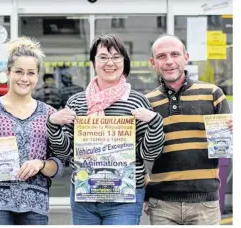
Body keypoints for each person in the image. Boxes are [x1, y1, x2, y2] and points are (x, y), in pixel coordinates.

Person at [47, 34, 165, 225]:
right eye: (103, 57)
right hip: (84, 195)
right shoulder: (77, 102)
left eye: (116, 57)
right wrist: (53, 124)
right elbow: (65, 151)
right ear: (94, 62)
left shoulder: (136, 101)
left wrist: (154, 123)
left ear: (124, 62)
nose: (110, 63)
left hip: (124, 197)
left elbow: (149, 153)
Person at [0, 36, 64, 225]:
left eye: (30, 73)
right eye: (19, 72)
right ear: (8, 72)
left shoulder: (49, 114)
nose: (24, 78)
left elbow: (58, 166)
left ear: (37, 76)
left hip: (35, 203)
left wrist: (41, 164)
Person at [144, 34, 232, 225]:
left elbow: (228, 147)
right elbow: (137, 153)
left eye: (175, 54)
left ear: (186, 57)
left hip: (205, 204)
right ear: (153, 62)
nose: (169, 61)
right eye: (161, 56)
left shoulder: (213, 94)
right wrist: (144, 192)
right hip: (162, 205)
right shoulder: (146, 103)